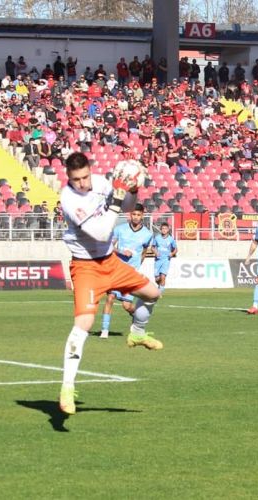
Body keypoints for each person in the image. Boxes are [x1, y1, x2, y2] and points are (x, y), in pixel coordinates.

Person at [58, 154, 162, 415]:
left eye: (84, 177)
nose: (81, 183)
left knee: (152, 293)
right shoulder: (69, 199)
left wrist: (132, 190)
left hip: (110, 262)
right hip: (86, 267)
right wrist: (116, 199)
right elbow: (103, 232)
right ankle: (67, 387)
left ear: (90, 171)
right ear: (68, 178)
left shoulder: (102, 183)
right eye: (76, 179)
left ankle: (137, 332)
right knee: (84, 324)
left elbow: (127, 206)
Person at [99, 203, 154, 339]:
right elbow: (109, 246)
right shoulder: (120, 229)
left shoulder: (147, 234)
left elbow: (145, 251)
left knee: (127, 305)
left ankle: (137, 319)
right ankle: (104, 330)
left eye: (138, 215)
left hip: (131, 274)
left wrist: (137, 266)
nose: (135, 217)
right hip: (117, 270)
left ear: (142, 216)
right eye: (133, 214)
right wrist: (121, 251)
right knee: (110, 298)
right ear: (130, 215)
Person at [151, 221, 177, 294]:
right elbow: (152, 247)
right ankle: (160, 286)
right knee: (157, 279)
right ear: (160, 229)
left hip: (166, 260)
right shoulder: (157, 238)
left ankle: (160, 293)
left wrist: (172, 253)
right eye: (162, 228)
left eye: (165, 228)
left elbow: (175, 249)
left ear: (168, 229)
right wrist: (156, 252)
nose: (164, 230)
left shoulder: (171, 239)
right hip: (158, 260)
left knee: (163, 276)